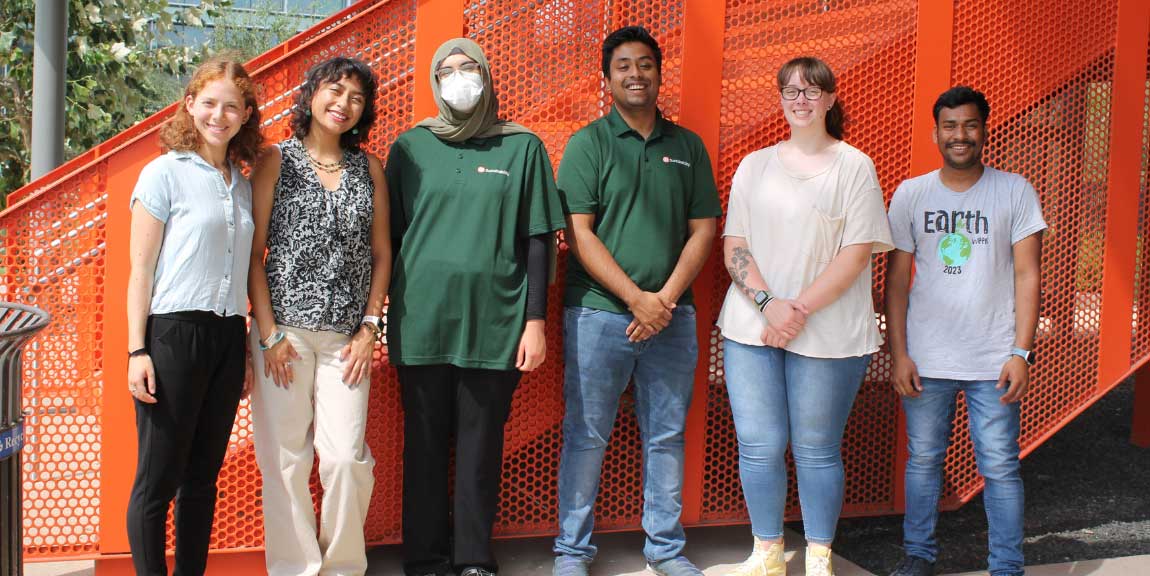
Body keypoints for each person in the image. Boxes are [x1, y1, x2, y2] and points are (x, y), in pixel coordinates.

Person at [385, 38, 566, 576]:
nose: (459, 77)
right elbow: (385, 237)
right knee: (422, 445)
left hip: (496, 322)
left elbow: (538, 238)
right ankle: (423, 558)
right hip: (421, 320)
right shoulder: (411, 147)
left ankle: (472, 558)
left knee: (480, 445)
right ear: (435, 81)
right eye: (447, 69)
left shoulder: (522, 147)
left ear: (487, 76)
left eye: (469, 68)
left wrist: (535, 321)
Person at [551, 26, 723, 576]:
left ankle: (666, 552)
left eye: (645, 64)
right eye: (623, 65)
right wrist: (635, 299)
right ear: (607, 79)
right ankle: (572, 552)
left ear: (659, 71)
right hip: (598, 315)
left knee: (667, 436)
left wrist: (664, 301)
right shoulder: (588, 144)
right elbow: (578, 233)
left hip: (673, 318)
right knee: (586, 435)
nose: (635, 74)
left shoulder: (687, 146)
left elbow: (704, 230)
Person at [716, 56, 894, 576]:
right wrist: (771, 306)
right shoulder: (755, 165)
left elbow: (857, 251)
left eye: (812, 91)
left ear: (831, 99)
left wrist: (798, 311)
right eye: (790, 91)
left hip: (829, 332)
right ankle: (767, 553)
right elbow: (734, 244)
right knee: (760, 446)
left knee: (816, 448)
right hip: (752, 327)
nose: (801, 99)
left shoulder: (855, 165)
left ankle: (819, 556)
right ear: (780, 99)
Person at [885, 86, 1044, 576]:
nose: (960, 135)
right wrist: (899, 354)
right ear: (936, 133)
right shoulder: (912, 194)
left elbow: (1027, 274)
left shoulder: (1014, 190)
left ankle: (1007, 566)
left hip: (993, 359)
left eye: (970, 125)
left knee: (999, 466)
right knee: (924, 460)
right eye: (950, 126)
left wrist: (1022, 351)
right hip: (927, 359)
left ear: (984, 130)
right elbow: (895, 282)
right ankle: (918, 557)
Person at [247, 57, 391, 576]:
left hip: (345, 341)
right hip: (282, 336)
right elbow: (255, 253)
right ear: (311, 94)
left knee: (345, 459)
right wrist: (268, 336)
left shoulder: (369, 167)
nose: (343, 104)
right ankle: (294, 569)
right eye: (334, 90)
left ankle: (343, 567)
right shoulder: (275, 161)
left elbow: (381, 256)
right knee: (286, 460)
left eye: (356, 97)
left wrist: (370, 327)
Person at [125, 57, 262, 576]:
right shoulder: (163, 173)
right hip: (173, 335)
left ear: (246, 113)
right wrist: (137, 350)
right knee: (157, 481)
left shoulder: (243, 183)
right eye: (209, 103)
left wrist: (246, 351)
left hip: (228, 337)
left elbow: (246, 270)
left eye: (231, 106)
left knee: (202, 479)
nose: (219, 115)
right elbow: (140, 272)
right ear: (189, 105)